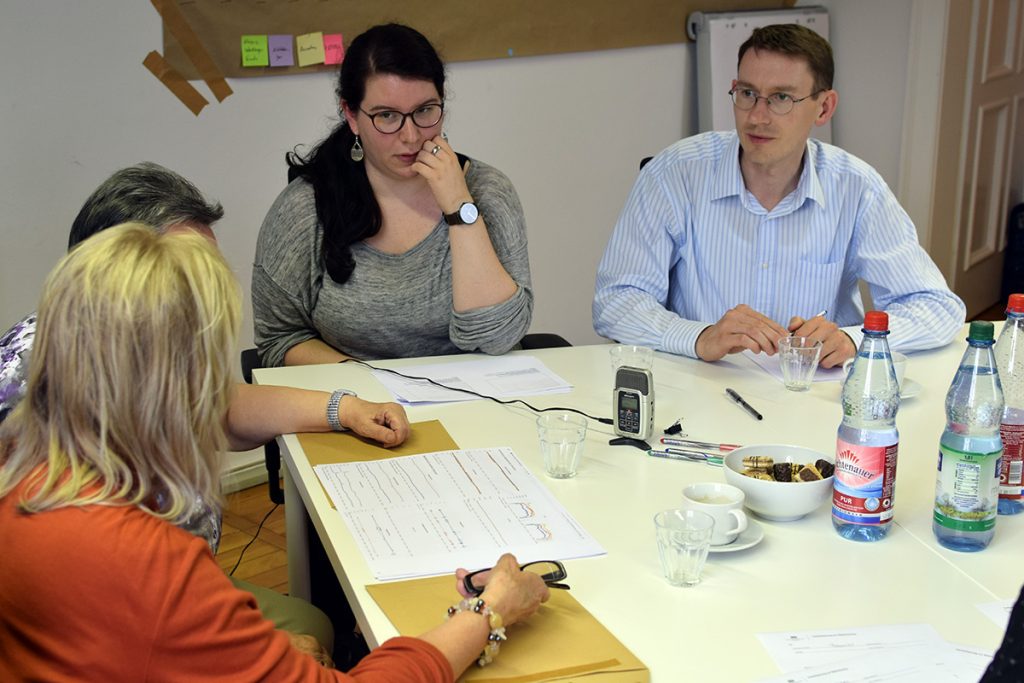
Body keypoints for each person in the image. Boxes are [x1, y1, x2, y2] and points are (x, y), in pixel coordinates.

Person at [0, 225, 549, 681]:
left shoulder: (27, 478)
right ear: (178, 385)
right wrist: (486, 614)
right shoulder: (146, 564)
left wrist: (249, 651)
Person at [0, 162, 412, 660]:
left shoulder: (115, 348)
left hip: (158, 595)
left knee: (314, 624)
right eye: (187, 276)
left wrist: (341, 408)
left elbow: (218, 406)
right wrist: (482, 617)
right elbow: (100, 608)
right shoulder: (30, 392)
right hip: (115, 623)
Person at [592, 24, 966, 369]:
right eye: (747, 94)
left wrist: (854, 340)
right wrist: (700, 337)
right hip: (702, 385)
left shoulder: (856, 187)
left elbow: (936, 307)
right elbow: (616, 301)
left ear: (824, 107)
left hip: (812, 391)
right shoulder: (675, 173)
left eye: (781, 98)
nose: (758, 116)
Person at [252, 23, 533, 365]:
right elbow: (280, 339)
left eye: (425, 110)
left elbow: (498, 337)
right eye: (387, 116)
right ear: (352, 116)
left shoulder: (487, 190)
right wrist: (368, 384)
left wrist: (459, 207)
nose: (411, 136)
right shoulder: (305, 207)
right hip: (354, 393)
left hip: (477, 390)